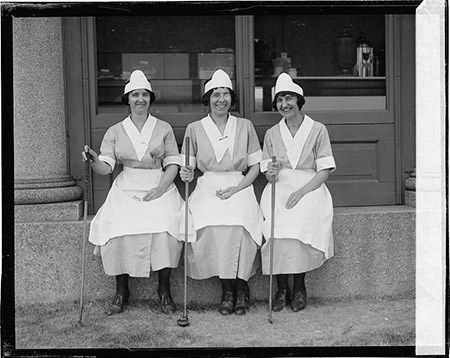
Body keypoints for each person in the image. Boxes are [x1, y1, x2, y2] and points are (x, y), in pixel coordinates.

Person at [82, 70, 184, 315]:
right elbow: (105, 168)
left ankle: (164, 290)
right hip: (126, 184)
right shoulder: (115, 131)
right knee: (117, 225)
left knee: (167, 226)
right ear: (127, 99)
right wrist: (93, 159)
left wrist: (160, 189)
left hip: (159, 183)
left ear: (150, 98)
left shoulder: (164, 128)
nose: (140, 99)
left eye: (145, 95)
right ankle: (121, 290)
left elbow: (172, 164)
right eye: (135, 95)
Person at [179, 69, 263, 316]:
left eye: (226, 94)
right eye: (216, 94)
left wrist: (238, 188)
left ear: (231, 98)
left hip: (240, 184)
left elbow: (255, 166)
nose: (221, 99)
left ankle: (243, 289)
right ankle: (227, 290)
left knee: (240, 224)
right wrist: (187, 174)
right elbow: (189, 166)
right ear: (208, 99)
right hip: (208, 185)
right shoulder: (194, 128)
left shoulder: (245, 126)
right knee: (211, 225)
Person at [260, 73, 336, 312]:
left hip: (310, 184)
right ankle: (282, 287)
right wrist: (270, 172)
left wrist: (301, 192)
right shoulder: (272, 133)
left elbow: (324, 171)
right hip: (280, 184)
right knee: (277, 220)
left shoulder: (317, 129)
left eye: (289, 98)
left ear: (299, 100)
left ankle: (300, 286)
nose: (285, 104)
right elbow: (268, 173)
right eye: (280, 99)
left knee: (301, 217)